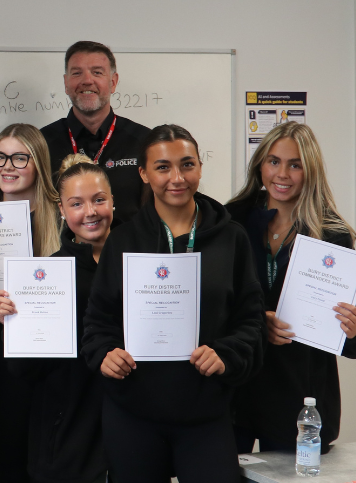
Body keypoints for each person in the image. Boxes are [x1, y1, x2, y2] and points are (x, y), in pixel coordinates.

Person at [79, 125, 264, 482]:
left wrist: (225, 354)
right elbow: (98, 321)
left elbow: (251, 319)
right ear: (144, 174)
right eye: (163, 167)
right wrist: (105, 353)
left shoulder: (231, 238)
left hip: (206, 413)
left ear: (199, 168)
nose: (177, 178)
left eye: (187, 164)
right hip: (133, 412)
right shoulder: (123, 241)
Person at [226, 122, 356, 452]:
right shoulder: (232, 220)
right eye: (274, 161)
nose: (282, 174)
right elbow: (215, 303)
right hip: (236, 393)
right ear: (260, 165)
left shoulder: (332, 234)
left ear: (310, 171)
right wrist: (257, 322)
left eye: (295, 165)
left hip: (298, 401)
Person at [0, 153, 112, 482]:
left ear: (112, 201)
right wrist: (13, 328)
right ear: (61, 210)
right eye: (76, 204)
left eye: (99, 200)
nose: (90, 212)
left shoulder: (137, 262)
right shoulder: (45, 275)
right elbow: (23, 370)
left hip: (131, 427)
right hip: (67, 432)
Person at [0, 123, 63, 482]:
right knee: (11, 465)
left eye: (19, 158)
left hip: (57, 362)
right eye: (0, 157)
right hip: (5, 360)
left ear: (38, 163)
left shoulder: (63, 218)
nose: (7, 167)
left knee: (57, 466)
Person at [40, 41, 151, 223]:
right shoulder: (41, 144)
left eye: (97, 72)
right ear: (66, 83)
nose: (87, 80)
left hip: (129, 242)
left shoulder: (145, 142)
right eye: (77, 73)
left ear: (113, 82)